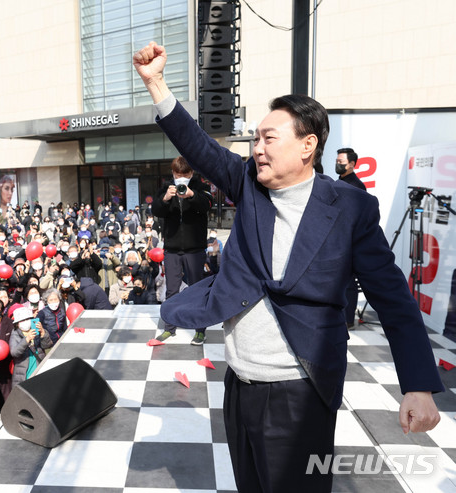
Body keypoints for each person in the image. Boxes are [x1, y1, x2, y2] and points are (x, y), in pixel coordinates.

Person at [133, 41, 442, 492]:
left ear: (307, 145)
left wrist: (417, 385)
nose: (256, 148)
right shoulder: (247, 184)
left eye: (268, 138)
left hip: (302, 390)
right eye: (255, 138)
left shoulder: (351, 208)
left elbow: (393, 299)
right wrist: (156, 82)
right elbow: (198, 147)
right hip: (239, 383)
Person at [152, 156, 213, 345]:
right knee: (171, 290)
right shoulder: (166, 187)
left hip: (195, 249)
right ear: (173, 173)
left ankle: (200, 330)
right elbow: (156, 210)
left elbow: (207, 206)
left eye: (185, 174)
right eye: (178, 174)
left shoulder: (201, 186)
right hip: (171, 248)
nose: (181, 178)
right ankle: (169, 328)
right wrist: (165, 198)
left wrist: (191, 195)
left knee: (197, 289)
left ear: (191, 173)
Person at [336, 147, 367, 328]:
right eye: (337, 161)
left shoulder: (357, 186)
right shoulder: (338, 181)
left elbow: (357, 216)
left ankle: (348, 319)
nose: (338, 164)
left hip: (348, 241)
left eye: (341, 162)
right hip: (337, 239)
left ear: (352, 164)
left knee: (349, 282)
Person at [9, 306, 53, 386]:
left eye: (27, 319)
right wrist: (27, 339)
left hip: (39, 368)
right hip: (25, 373)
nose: (25, 322)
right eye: (22, 320)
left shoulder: (35, 328)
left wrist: (43, 333)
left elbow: (47, 345)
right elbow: (14, 352)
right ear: (17, 324)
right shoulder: (15, 333)